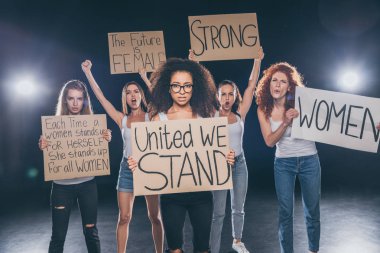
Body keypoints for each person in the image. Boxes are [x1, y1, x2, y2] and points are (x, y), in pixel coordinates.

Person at [131, 57, 235, 253]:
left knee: (203, 248)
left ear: (194, 88)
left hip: (202, 195)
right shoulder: (157, 119)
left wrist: (227, 158)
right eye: (176, 86)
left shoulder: (205, 117)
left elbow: (215, 153)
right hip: (171, 197)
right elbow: (149, 157)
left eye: (187, 86)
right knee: (175, 249)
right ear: (168, 88)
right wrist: (138, 163)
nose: (182, 91)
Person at [81, 60, 164, 253]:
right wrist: (88, 73)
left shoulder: (151, 116)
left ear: (141, 95)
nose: (132, 95)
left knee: (155, 217)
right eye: (128, 92)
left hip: (149, 168)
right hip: (127, 168)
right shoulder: (122, 119)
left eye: (136, 91)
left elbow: (160, 99)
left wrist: (145, 77)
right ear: (125, 98)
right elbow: (101, 97)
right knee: (124, 217)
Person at [38, 80, 111, 253]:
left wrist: (105, 137)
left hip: (88, 185)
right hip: (61, 188)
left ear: (85, 100)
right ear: (65, 100)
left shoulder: (93, 125)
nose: (76, 103)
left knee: (91, 232)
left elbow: (98, 149)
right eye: (71, 98)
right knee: (58, 237)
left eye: (79, 99)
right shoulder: (53, 126)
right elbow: (51, 153)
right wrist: (43, 145)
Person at [256, 62, 321, 253]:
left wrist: (366, 127)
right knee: (285, 213)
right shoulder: (263, 109)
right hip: (283, 163)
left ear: (289, 86)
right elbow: (269, 141)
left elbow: (335, 120)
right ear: (268, 84)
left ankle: (313, 250)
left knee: (312, 211)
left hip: (310, 160)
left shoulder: (303, 102)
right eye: (274, 80)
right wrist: (285, 122)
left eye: (282, 81)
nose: (277, 85)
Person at [209, 47, 264, 253]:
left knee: (238, 208)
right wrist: (194, 64)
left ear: (234, 96)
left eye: (230, 94)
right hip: (219, 166)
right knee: (218, 213)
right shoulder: (211, 114)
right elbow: (198, 89)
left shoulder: (240, 114)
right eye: (223, 94)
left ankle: (237, 241)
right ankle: (213, 248)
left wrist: (257, 60)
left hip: (240, 163)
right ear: (217, 96)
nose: (227, 98)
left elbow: (251, 85)